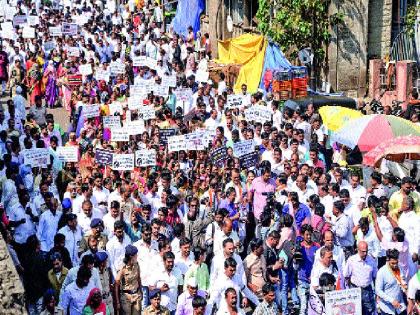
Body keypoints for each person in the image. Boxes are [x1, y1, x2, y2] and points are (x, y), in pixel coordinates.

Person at [343, 241, 378, 315]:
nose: (365, 254)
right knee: (355, 311)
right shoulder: (351, 260)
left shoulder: (372, 261)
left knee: (369, 310)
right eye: (363, 252)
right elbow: (346, 276)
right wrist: (349, 290)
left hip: (367, 290)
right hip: (355, 289)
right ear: (357, 250)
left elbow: (375, 277)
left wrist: (377, 293)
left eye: (366, 251)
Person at [376, 249, 408, 315]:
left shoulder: (400, 268)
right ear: (387, 260)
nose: (395, 265)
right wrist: (391, 300)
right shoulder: (381, 272)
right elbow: (378, 290)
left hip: (400, 306)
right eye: (392, 263)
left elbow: (403, 282)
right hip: (387, 309)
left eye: (396, 263)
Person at [115, 244, 142, 315]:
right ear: (131, 256)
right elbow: (116, 285)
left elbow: (139, 279)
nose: (137, 256)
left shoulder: (137, 265)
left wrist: (140, 291)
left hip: (136, 294)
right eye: (135, 255)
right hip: (126, 297)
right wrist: (117, 301)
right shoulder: (122, 268)